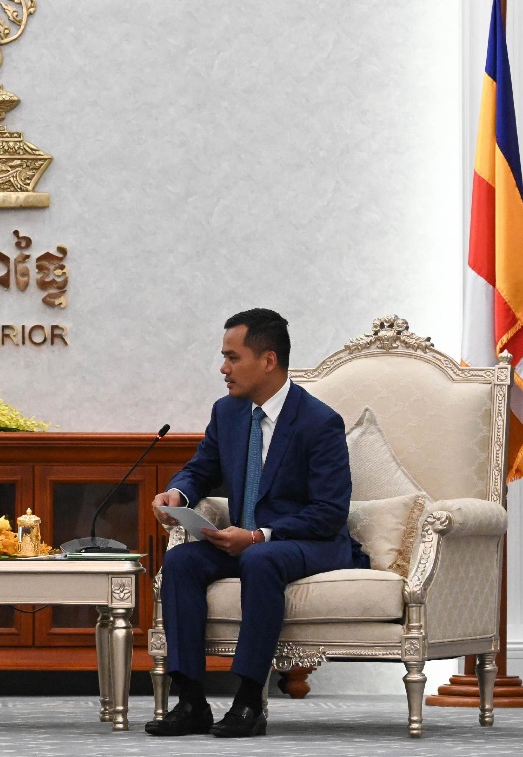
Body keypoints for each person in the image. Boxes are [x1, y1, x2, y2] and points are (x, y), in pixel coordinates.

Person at [145, 308, 366, 738]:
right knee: (182, 563)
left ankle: (249, 702)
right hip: (243, 540)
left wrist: (257, 535)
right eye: (223, 357)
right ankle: (190, 700)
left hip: (305, 540)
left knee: (261, 560)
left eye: (232, 357)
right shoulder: (227, 412)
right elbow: (200, 469)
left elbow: (329, 511)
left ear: (268, 360)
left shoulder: (320, 422)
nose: (223, 369)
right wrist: (179, 494)